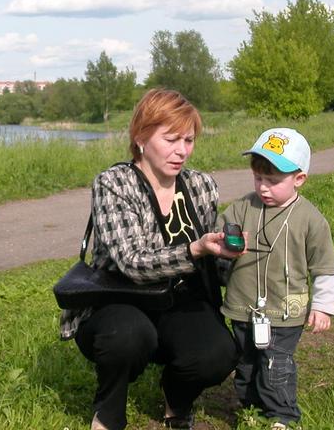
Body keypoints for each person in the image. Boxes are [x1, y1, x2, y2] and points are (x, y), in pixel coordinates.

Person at [59, 88, 243, 430]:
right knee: (128, 335)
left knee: (218, 354)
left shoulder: (201, 185)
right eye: (171, 139)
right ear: (141, 137)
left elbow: (211, 265)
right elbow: (131, 261)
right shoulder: (114, 184)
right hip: (117, 301)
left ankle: (176, 398)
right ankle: (109, 412)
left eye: (188, 140)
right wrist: (195, 249)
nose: (182, 151)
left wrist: (230, 256)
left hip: (179, 299)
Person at [217, 128, 334, 429]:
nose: (264, 188)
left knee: (275, 363)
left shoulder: (310, 219)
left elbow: (324, 267)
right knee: (246, 363)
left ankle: (282, 415)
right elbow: (217, 234)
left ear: (299, 179)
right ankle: (249, 407)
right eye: (258, 178)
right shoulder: (244, 207)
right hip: (243, 308)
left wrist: (322, 306)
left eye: (273, 181)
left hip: (286, 312)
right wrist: (222, 243)